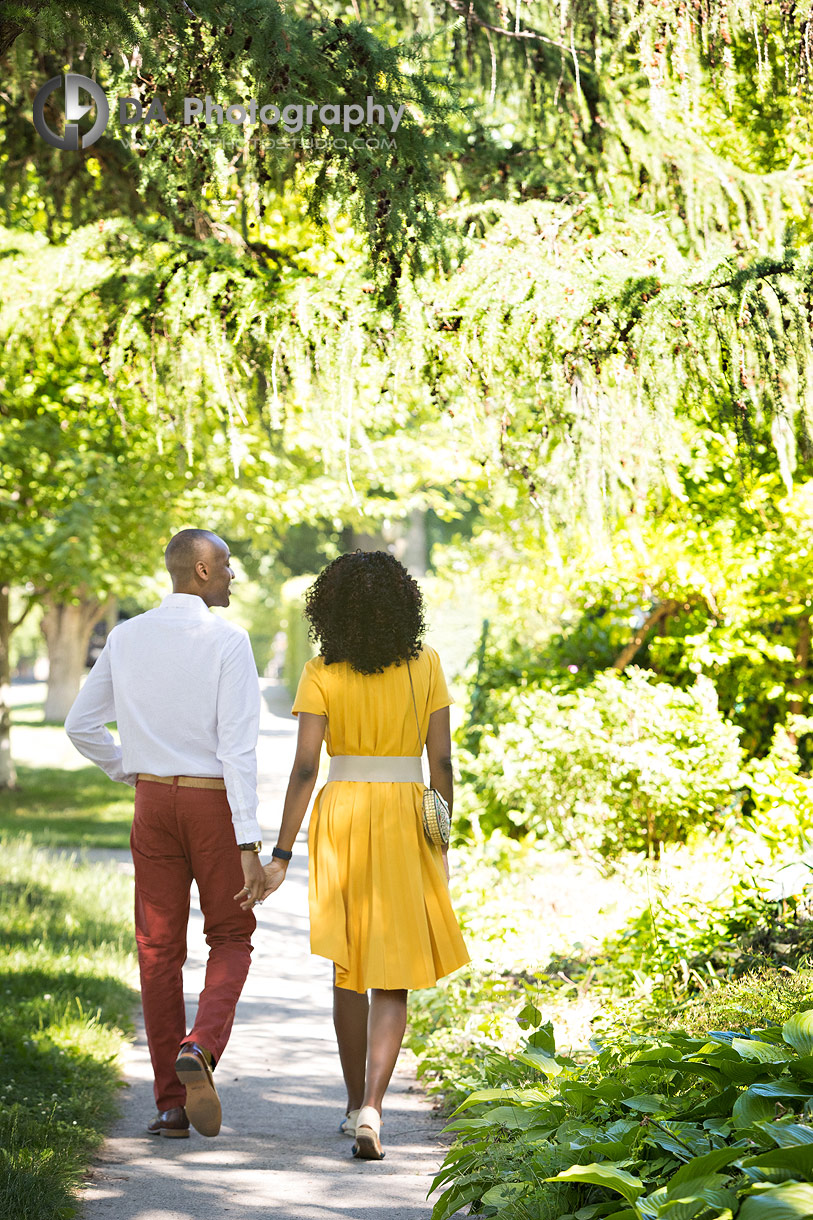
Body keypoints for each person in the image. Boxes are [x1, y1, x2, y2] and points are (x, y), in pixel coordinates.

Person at [256, 550, 470, 1160]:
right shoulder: (426, 664)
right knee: (394, 972)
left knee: (346, 968)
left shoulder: (321, 669)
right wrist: (442, 836)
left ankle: (353, 1107)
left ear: (332, 610)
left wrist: (280, 852)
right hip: (406, 814)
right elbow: (443, 763)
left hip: (343, 815)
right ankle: (377, 1103)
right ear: (404, 605)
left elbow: (304, 768)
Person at [65, 529, 271, 1140]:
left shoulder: (126, 637)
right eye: (228, 565)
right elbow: (237, 749)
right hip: (212, 807)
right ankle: (201, 1048)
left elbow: (81, 726)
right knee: (232, 935)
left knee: (158, 952)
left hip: (153, 802)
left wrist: (133, 772)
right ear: (203, 571)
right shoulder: (229, 642)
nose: (235, 574)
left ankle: (169, 1106)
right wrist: (250, 844)